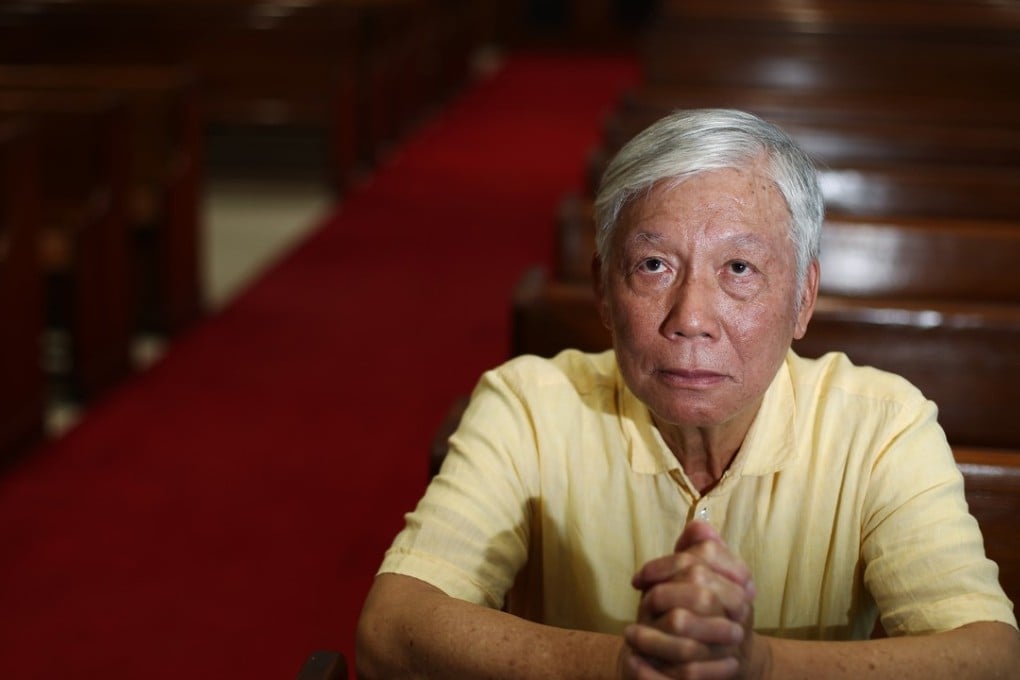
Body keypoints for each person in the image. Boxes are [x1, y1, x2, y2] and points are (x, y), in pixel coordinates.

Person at [355, 109, 1019, 679]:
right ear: (604, 292)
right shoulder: (529, 404)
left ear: (802, 300)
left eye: (738, 269)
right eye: (653, 265)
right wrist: (620, 665)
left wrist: (757, 666)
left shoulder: (883, 428)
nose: (691, 316)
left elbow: (991, 657)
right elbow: (388, 630)